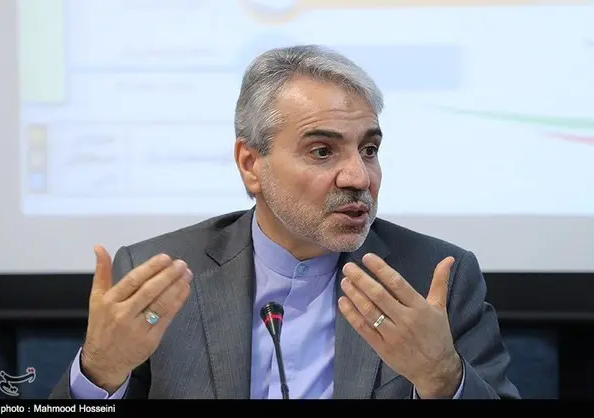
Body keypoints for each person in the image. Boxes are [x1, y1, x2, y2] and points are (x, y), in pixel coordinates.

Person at [49, 44, 520, 400]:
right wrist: (99, 374)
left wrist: (442, 378)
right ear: (250, 165)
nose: (359, 177)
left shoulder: (435, 278)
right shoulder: (160, 275)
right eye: (322, 151)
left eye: (369, 149)